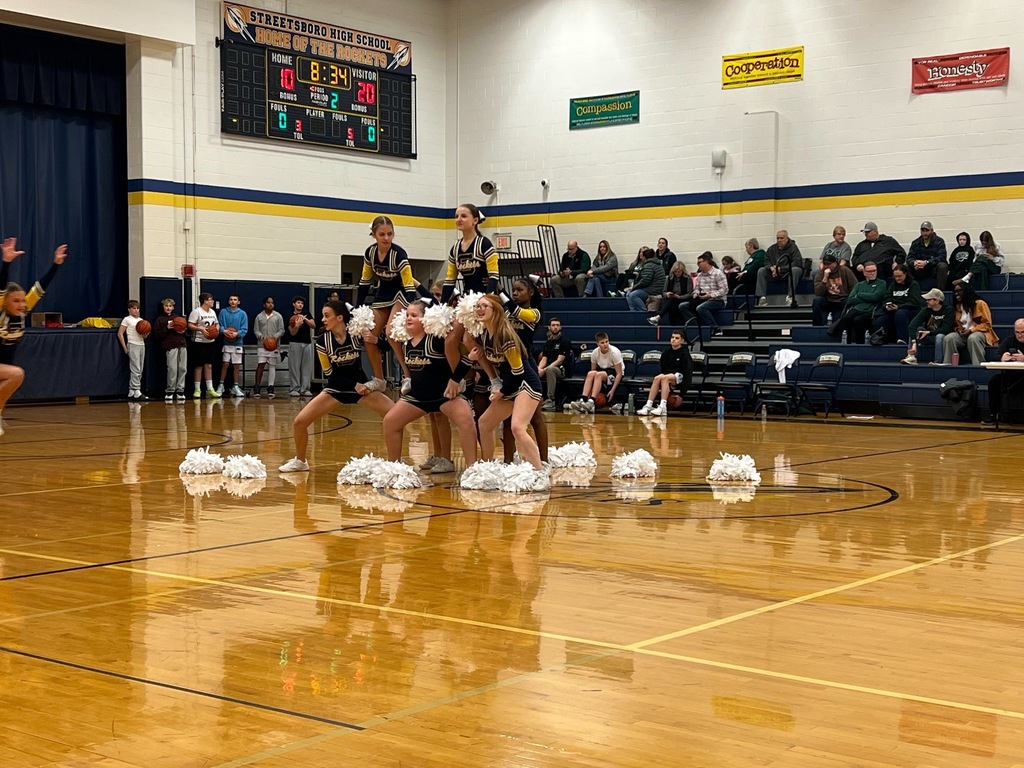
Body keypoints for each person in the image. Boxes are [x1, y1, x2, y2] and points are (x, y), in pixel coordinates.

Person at [279, 301, 394, 472]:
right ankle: (301, 461)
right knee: (299, 422)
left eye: (327, 316)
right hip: (337, 389)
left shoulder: (355, 333)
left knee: (395, 415)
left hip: (361, 388)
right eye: (323, 316)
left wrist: (376, 340)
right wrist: (354, 385)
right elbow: (330, 374)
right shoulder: (321, 341)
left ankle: (394, 462)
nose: (323, 320)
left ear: (339, 317)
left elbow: (386, 348)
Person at [381, 301, 478, 469]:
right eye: (407, 315)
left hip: (443, 396)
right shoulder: (407, 343)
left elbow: (465, 358)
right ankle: (394, 465)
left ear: (426, 319)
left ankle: (472, 469)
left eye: (414, 315)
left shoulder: (437, 339)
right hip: (418, 397)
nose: (409, 318)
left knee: (466, 419)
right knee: (390, 421)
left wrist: (457, 377)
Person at [469, 294, 546, 483]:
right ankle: (488, 469)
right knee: (485, 423)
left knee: (517, 428)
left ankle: (540, 473)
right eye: (477, 306)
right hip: (510, 385)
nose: (479, 309)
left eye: (484, 306)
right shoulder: (485, 335)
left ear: (495, 311)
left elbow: (518, 371)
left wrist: (501, 391)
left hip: (526, 384)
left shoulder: (506, 336)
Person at [0, 238, 67, 435]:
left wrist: (56, 264)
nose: (22, 304)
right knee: (17, 374)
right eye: (16, 300)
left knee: (11, 380)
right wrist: (7, 262)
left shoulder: (23, 312)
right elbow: (1, 289)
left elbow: (40, 288)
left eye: (23, 300)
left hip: (2, 368)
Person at [356, 216, 419, 392]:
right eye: (382, 234)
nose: (386, 238)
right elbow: (364, 281)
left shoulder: (399, 254)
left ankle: (408, 376)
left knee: (391, 334)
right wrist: (357, 308)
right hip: (382, 294)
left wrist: (412, 305)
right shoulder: (370, 253)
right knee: (368, 335)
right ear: (374, 235)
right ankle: (379, 379)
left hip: (401, 293)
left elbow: (408, 283)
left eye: (390, 234)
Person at [500, 278, 548, 463]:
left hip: (527, 365)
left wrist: (501, 290)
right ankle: (507, 462)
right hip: (508, 367)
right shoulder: (507, 312)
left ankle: (544, 461)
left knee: (536, 418)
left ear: (531, 292)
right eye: (513, 290)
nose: (515, 293)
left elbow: (517, 312)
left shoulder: (534, 313)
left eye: (519, 290)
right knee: (508, 417)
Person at [663, 251, 727, 335]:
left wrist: (711, 295)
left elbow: (724, 290)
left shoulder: (718, 273)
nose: (697, 264)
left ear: (706, 262)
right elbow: (697, 288)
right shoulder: (700, 275)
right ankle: (695, 326)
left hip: (717, 299)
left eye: (699, 262)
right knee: (682, 306)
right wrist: (696, 293)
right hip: (702, 298)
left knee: (700, 308)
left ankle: (716, 328)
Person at [636, 330, 693, 416]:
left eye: (677, 338)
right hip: (668, 375)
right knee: (657, 378)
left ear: (682, 341)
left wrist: (682, 394)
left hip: (680, 376)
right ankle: (648, 405)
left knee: (665, 378)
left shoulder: (685, 353)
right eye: (672, 337)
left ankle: (663, 407)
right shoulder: (666, 352)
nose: (673, 340)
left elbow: (688, 373)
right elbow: (663, 368)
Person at [826, 261, 884, 343]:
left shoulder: (881, 283)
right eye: (869, 271)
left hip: (870, 310)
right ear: (864, 272)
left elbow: (875, 297)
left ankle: (859, 343)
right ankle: (847, 341)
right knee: (847, 317)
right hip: (856, 309)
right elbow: (851, 299)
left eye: (874, 271)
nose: (872, 273)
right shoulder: (859, 285)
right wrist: (868, 296)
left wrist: (859, 295)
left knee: (858, 320)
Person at [566, 332, 624, 413]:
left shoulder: (614, 352)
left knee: (598, 375)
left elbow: (619, 373)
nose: (605, 344)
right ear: (598, 344)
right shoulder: (595, 353)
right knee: (590, 373)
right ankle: (583, 399)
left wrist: (612, 390)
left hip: (614, 371)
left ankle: (592, 401)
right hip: (602, 370)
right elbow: (593, 370)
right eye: (602, 343)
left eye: (607, 342)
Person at [942, 283, 998, 365]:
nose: (956, 293)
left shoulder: (980, 304)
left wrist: (971, 330)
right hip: (963, 334)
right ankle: (949, 365)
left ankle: (978, 366)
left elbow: (987, 325)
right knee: (949, 338)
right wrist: (958, 329)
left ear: (966, 291)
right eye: (955, 291)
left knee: (973, 338)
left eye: (959, 291)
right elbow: (955, 325)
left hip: (980, 332)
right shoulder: (957, 307)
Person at [981, 319, 1024, 425]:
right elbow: (996, 356)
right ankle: (994, 414)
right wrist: (1002, 357)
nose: (1019, 335)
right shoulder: (1010, 340)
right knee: (994, 381)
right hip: (1011, 376)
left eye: (1023, 332)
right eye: (1017, 332)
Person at [870, 263, 924, 345]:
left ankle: (903, 339)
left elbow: (914, 302)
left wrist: (899, 307)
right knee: (880, 320)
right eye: (895, 276)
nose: (897, 278)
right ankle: (882, 339)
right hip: (893, 309)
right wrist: (887, 305)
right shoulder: (893, 285)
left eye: (900, 276)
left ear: (905, 274)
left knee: (900, 314)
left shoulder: (914, 285)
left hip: (909, 310)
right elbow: (887, 298)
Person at [902, 288, 954, 365]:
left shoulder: (948, 310)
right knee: (918, 330)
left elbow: (945, 329)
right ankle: (911, 356)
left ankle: (938, 362)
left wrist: (929, 332)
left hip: (943, 338)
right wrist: (914, 342)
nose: (926, 301)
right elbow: (912, 326)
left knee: (939, 336)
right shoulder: (926, 310)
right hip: (928, 336)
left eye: (929, 300)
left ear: (936, 301)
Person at [756, 230, 803, 307]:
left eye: (781, 238)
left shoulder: (793, 248)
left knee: (795, 270)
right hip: (774, 272)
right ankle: (762, 298)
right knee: (761, 271)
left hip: (787, 272)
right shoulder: (772, 248)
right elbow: (766, 261)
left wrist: (781, 269)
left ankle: (790, 297)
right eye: (777, 238)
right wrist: (771, 268)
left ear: (787, 238)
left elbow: (797, 262)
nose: (779, 240)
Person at [152, 298, 187, 402]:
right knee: (172, 368)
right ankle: (170, 390)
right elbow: (158, 335)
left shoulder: (178, 318)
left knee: (182, 368)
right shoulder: (159, 319)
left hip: (182, 344)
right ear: (163, 307)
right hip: (170, 345)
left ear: (173, 307)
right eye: (166, 306)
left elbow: (185, 332)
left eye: (170, 306)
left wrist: (182, 329)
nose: (168, 308)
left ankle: (180, 390)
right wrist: (167, 327)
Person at [188, 292, 220, 399]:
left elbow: (216, 323)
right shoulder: (196, 312)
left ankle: (210, 389)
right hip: (199, 342)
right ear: (205, 301)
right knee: (198, 366)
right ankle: (197, 389)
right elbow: (190, 325)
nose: (213, 301)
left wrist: (217, 328)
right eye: (211, 299)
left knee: (209, 366)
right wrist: (200, 329)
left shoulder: (212, 312)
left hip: (210, 342)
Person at [811, 253, 857, 326]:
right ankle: (817, 328)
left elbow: (855, 287)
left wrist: (849, 298)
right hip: (827, 300)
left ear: (835, 264)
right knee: (817, 300)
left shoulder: (845, 270)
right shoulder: (821, 273)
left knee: (837, 322)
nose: (826, 266)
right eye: (824, 264)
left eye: (828, 264)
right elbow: (818, 293)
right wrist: (825, 278)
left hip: (841, 300)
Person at [252, 296, 284, 398]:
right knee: (260, 365)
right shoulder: (259, 316)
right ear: (264, 304)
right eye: (268, 302)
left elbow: (282, 330)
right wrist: (261, 337)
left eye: (272, 303)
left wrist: (274, 337)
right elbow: (256, 330)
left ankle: (271, 387)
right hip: (262, 345)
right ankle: (257, 387)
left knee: (272, 366)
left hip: (274, 345)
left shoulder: (278, 316)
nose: (270, 304)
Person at [537, 316, 572, 411]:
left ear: (560, 327)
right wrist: (539, 369)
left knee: (550, 369)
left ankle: (551, 400)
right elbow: (544, 359)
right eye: (553, 325)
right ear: (549, 327)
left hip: (561, 369)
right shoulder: (548, 343)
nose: (555, 327)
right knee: (534, 370)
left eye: (557, 325)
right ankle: (536, 398)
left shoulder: (565, 341)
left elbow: (559, 360)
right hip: (548, 368)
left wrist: (544, 370)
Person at [118, 299, 150, 401]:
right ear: (129, 309)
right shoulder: (127, 319)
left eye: (137, 308)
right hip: (132, 344)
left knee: (139, 368)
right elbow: (120, 334)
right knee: (135, 368)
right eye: (134, 308)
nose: (136, 310)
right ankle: (137, 390)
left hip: (141, 344)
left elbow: (143, 336)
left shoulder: (141, 320)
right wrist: (125, 348)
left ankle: (132, 390)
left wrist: (146, 334)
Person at [217, 294, 248, 397]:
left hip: (238, 343)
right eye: (231, 299)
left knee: (236, 365)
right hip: (226, 342)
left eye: (235, 300)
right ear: (229, 301)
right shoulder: (223, 312)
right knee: (225, 364)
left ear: (238, 302)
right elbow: (219, 325)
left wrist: (237, 334)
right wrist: (224, 331)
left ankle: (235, 386)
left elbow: (244, 329)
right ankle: (221, 385)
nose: (233, 301)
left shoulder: (242, 314)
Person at [285, 296, 315, 397]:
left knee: (306, 367)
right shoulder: (289, 316)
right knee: (294, 367)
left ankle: (305, 389)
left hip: (307, 343)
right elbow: (292, 333)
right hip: (295, 343)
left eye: (302, 303)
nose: (300, 305)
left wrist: (305, 319)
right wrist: (297, 325)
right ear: (294, 304)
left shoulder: (307, 313)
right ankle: (294, 388)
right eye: (298, 303)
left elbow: (313, 325)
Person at [906, 221, 948, 290]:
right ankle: (910, 290)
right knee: (906, 266)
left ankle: (940, 292)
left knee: (942, 266)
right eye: (923, 231)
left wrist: (927, 262)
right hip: (918, 269)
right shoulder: (915, 242)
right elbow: (909, 257)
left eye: (927, 230)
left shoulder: (939, 241)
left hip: (932, 268)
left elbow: (942, 257)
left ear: (932, 230)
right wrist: (914, 263)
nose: (925, 233)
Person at [648, 261, 692, 327]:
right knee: (672, 304)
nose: (677, 273)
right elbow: (664, 292)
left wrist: (679, 297)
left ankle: (658, 317)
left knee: (673, 301)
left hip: (683, 298)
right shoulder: (669, 278)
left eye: (679, 272)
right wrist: (667, 294)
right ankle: (672, 325)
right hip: (672, 299)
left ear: (683, 271)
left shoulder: (687, 279)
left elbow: (689, 293)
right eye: (675, 272)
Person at [625, 247, 664, 312]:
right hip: (654, 288)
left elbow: (645, 281)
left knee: (633, 295)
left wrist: (633, 287)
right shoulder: (657, 264)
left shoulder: (649, 265)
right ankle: (633, 312)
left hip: (653, 290)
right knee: (628, 293)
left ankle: (643, 311)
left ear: (644, 257)